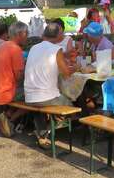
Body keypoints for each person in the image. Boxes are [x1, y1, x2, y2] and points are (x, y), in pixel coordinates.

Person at [24, 21, 75, 149]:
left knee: (40, 105)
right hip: (47, 97)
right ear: (58, 36)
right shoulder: (56, 49)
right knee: (72, 107)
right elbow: (67, 73)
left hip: (29, 97)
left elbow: (48, 58)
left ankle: (42, 130)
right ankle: (46, 131)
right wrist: (78, 67)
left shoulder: (34, 48)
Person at [0, 21, 28, 137]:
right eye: (27, 33)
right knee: (35, 96)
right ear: (20, 34)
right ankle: (10, 119)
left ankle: (7, 114)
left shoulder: (2, 46)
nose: (28, 36)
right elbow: (18, 77)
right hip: (6, 91)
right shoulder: (16, 49)